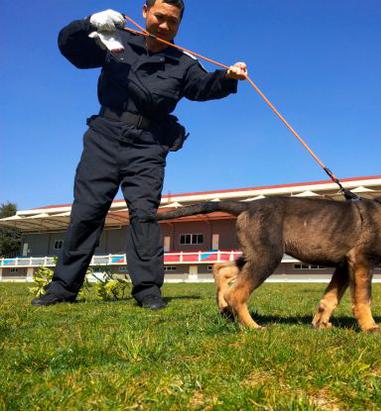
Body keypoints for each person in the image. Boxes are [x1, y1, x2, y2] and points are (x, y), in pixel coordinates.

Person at [32, 0, 248, 309]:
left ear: (179, 25)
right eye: (159, 16)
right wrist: (89, 22)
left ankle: (148, 291)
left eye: (172, 21)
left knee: (144, 215)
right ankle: (62, 288)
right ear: (145, 11)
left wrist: (228, 77)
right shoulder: (115, 38)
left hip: (148, 146)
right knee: (87, 212)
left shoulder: (183, 62)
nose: (164, 25)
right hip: (104, 137)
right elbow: (73, 51)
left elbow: (203, 87)